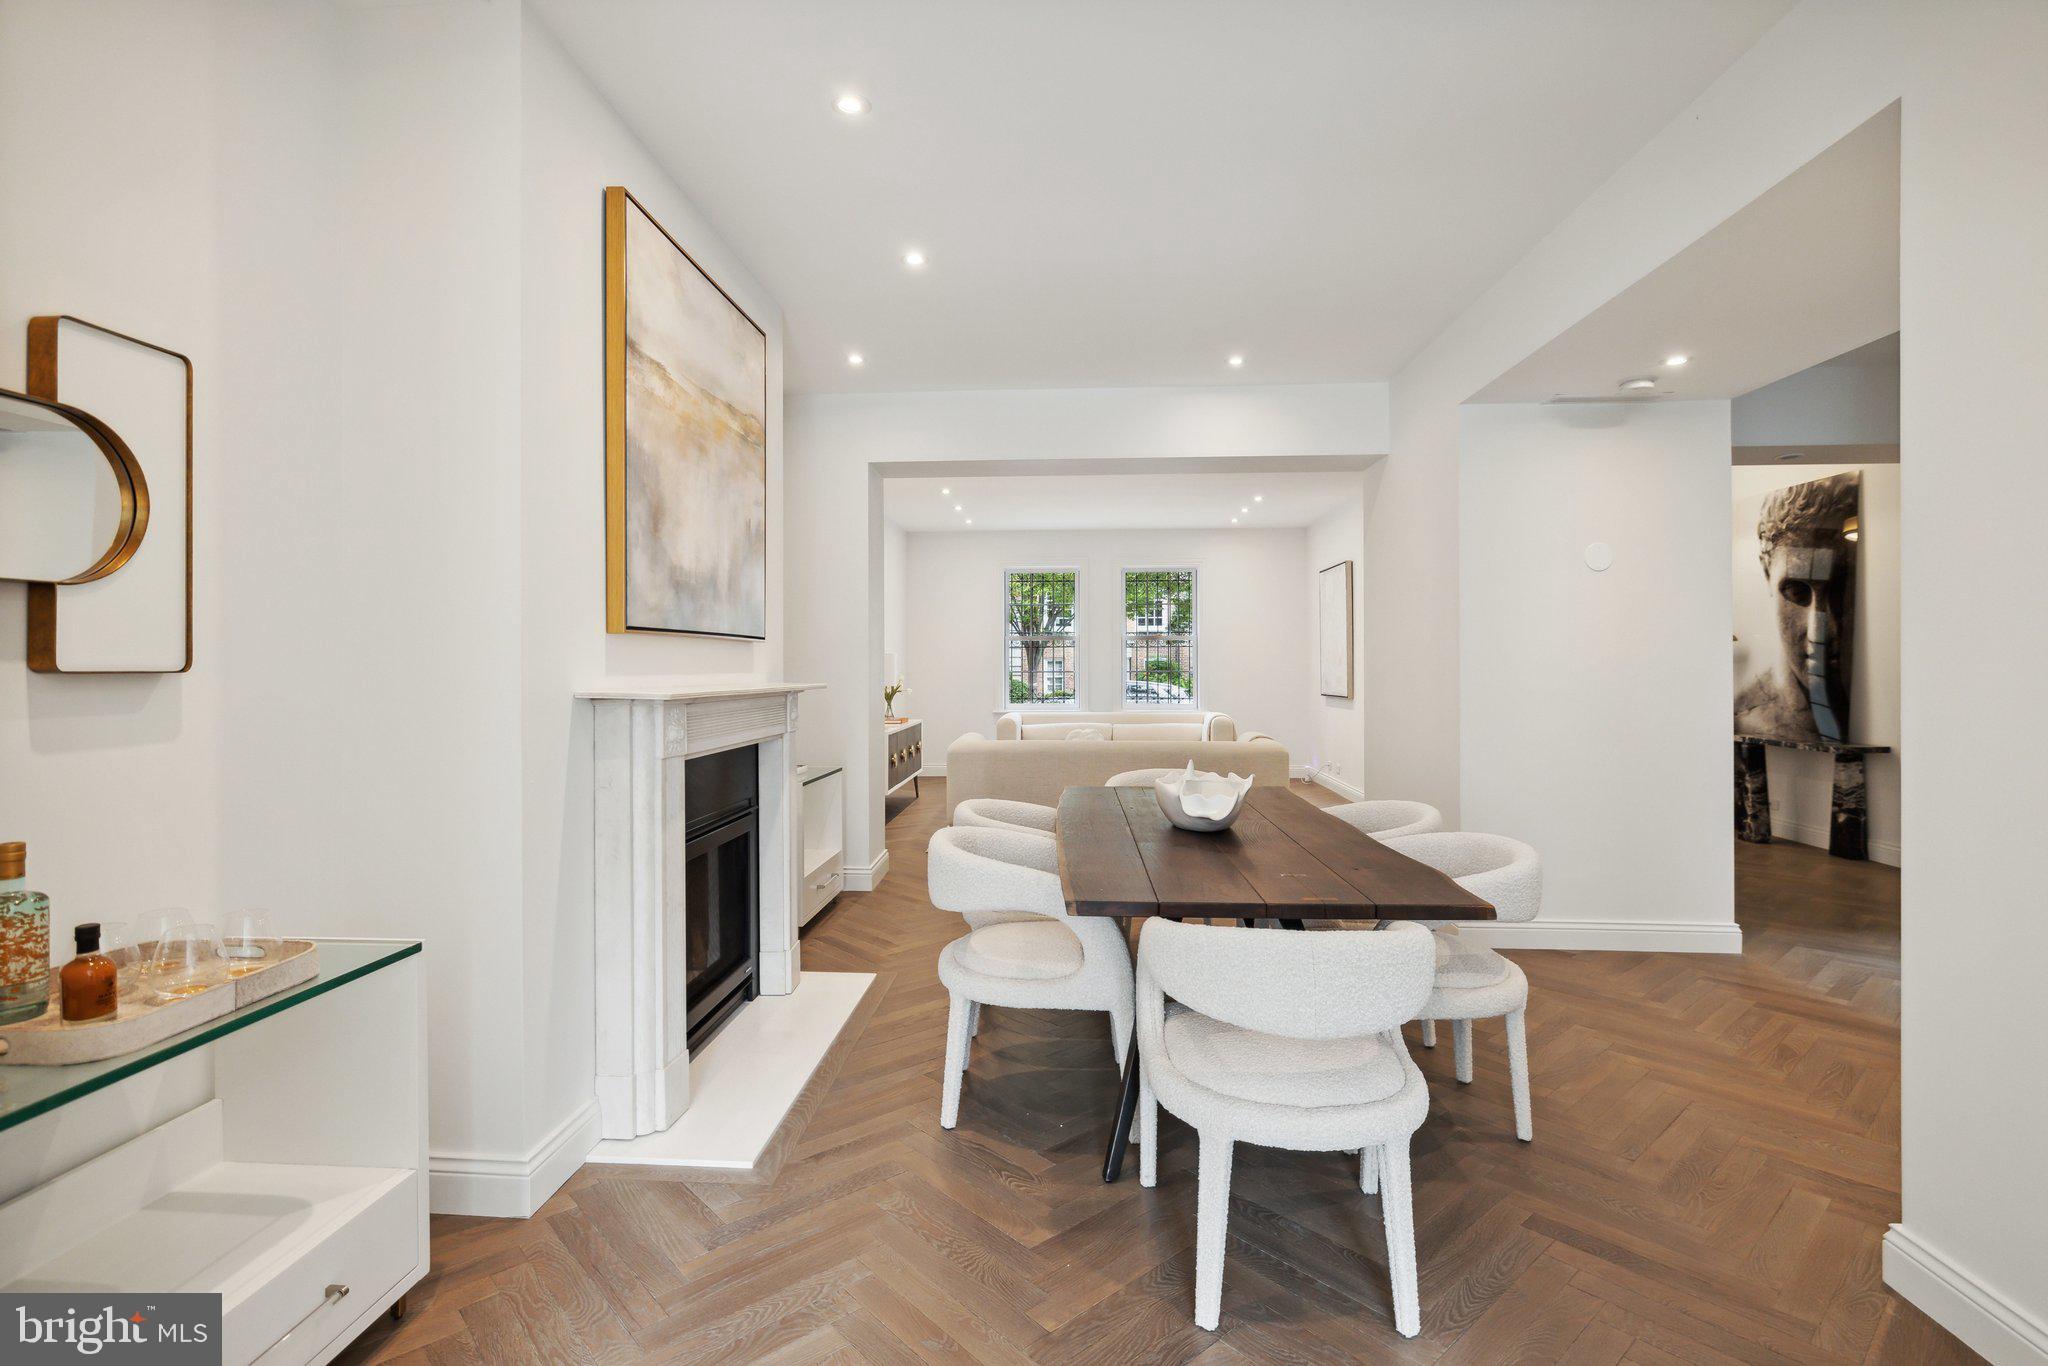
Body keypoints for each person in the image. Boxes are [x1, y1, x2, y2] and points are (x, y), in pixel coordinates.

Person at [1734, 473, 1859, 743]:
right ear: (1768, 576)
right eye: (1797, 592)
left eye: (1839, 591)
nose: (1820, 630)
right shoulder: (1741, 716)